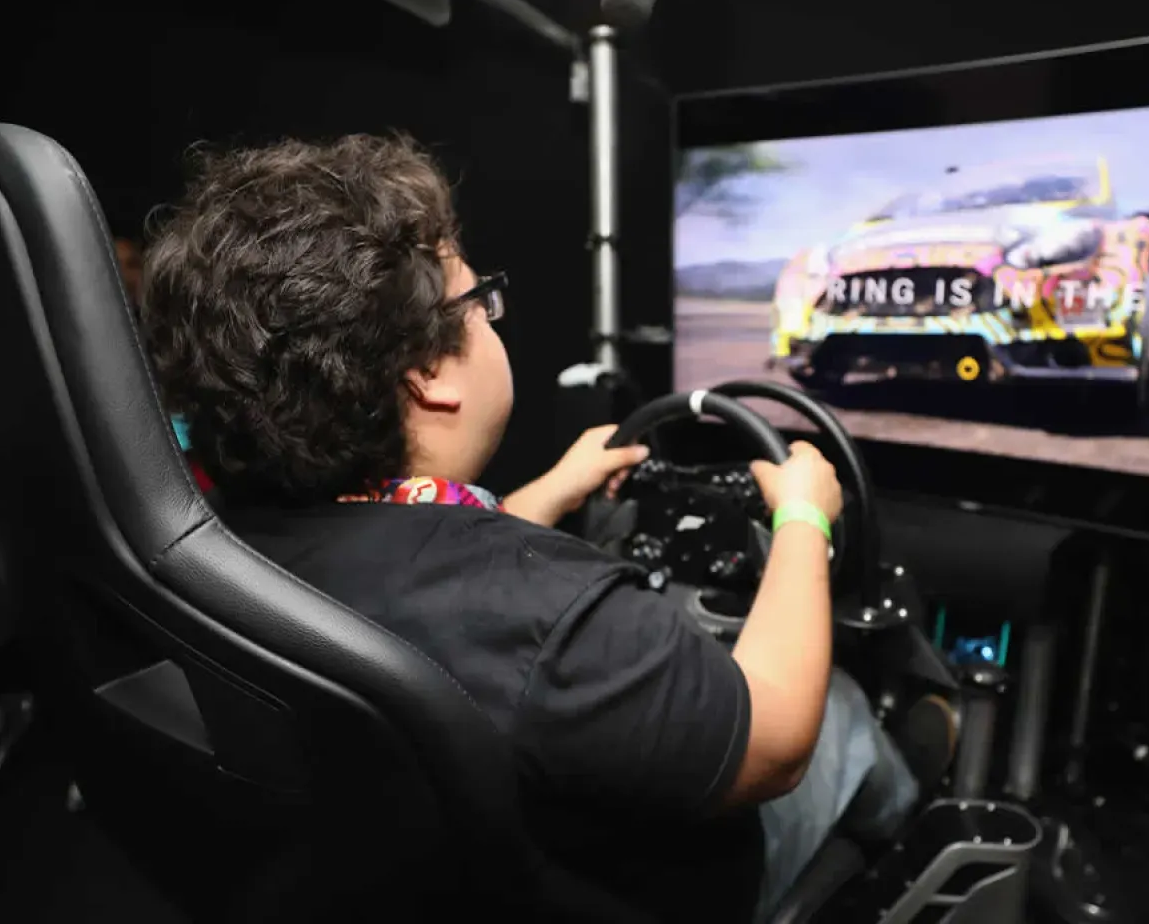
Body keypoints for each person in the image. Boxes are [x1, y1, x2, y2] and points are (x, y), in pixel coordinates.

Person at [140, 134, 917, 922]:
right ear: (429, 375)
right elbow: (775, 740)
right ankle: (914, 824)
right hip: (655, 891)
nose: (490, 316)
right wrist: (802, 518)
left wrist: (548, 491)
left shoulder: (215, 547)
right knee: (843, 706)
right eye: (479, 300)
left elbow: (426, 591)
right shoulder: (556, 617)